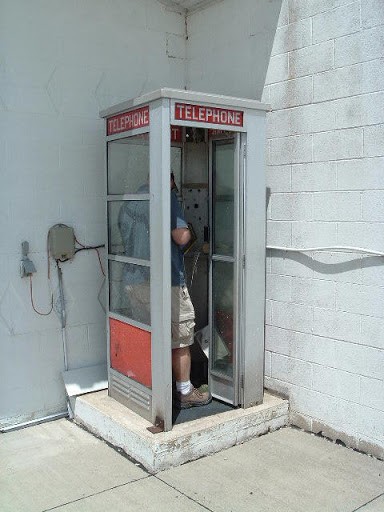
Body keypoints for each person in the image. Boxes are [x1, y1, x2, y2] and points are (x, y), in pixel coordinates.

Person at [170, 173, 211, 409]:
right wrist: (187, 232)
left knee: (158, 335)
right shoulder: (168, 196)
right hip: (170, 280)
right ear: (171, 180)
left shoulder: (135, 200)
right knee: (181, 336)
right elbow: (181, 235)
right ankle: (185, 391)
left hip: (139, 278)